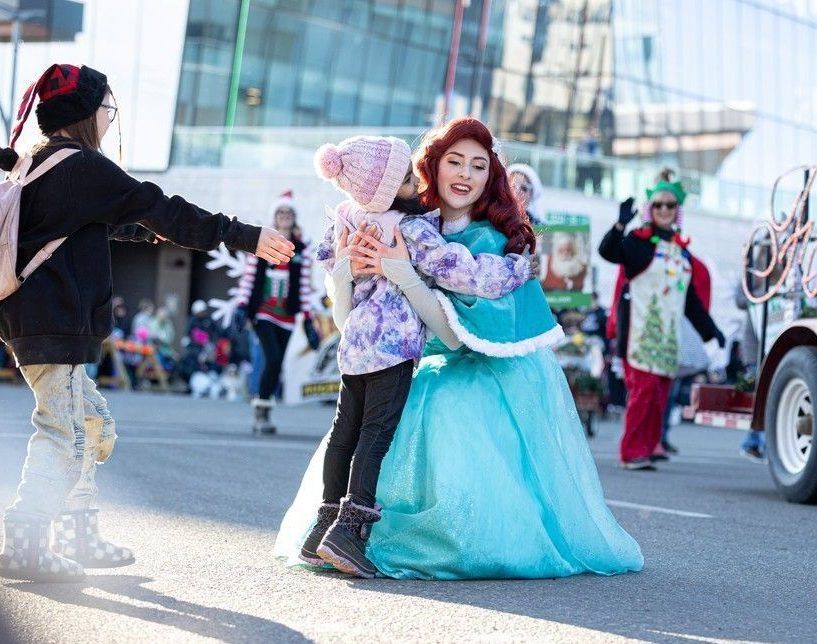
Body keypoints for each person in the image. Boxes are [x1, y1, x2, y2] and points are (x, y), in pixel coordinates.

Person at [274, 117, 643, 580]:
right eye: (454, 161)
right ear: (430, 166)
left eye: (479, 166)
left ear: (493, 176)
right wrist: (351, 271)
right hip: (405, 358)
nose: (465, 175)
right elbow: (347, 313)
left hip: (483, 370)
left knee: (422, 416)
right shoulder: (412, 222)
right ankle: (342, 530)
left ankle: (348, 528)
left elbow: (455, 336)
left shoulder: (486, 237)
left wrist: (401, 272)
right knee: (367, 429)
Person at [0, 63, 294, 582]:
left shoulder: (37, 165)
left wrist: (148, 233)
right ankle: (25, 541)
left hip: (39, 319)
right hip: (55, 321)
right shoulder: (82, 167)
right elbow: (161, 207)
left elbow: (96, 228)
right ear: (89, 114)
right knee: (65, 432)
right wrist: (244, 236)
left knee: (88, 423)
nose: (111, 121)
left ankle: (77, 532)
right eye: (108, 110)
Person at [300, 134, 536, 577]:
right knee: (375, 436)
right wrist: (517, 267)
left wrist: (347, 265)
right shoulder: (410, 228)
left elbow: (330, 260)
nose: (416, 183)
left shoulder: (346, 219)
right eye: (407, 177)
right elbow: (462, 272)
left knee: (343, 434)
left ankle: (322, 527)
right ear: (386, 188)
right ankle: (350, 533)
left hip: (354, 346)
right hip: (393, 346)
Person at [599, 168, 725, 470]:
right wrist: (619, 225)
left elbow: (690, 301)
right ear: (650, 209)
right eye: (658, 205)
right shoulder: (637, 243)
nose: (664, 210)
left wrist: (712, 331)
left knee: (658, 399)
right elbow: (608, 252)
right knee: (642, 394)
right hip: (640, 334)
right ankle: (631, 452)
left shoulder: (681, 253)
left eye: (670, 205)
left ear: (677, 211)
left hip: (668, 337)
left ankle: (647, 448)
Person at [235, 191, 318, 434]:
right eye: (281, 212)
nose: (284, 217)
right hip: (263, 312)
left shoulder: (301, 248)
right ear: (275, 216)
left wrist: (308, 320)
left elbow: (303, 286)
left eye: (289, 213)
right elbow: (248, 279)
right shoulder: (262, 243)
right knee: (271, 358)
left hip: (288, 316)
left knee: (278, 363)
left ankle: (265, 408)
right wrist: (242, 306)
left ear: (294, 218)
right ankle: (261, 410)